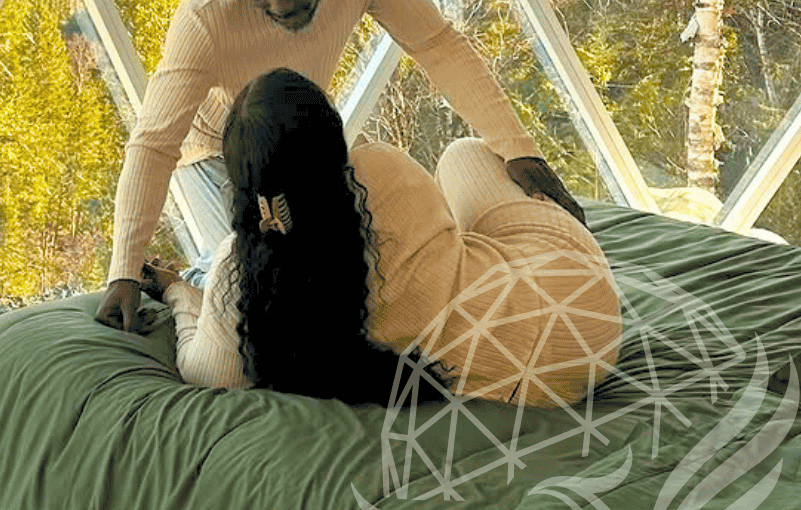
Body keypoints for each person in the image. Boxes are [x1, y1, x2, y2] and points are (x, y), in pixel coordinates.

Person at [96, 0, 584, 333]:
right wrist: (123, 270)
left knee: (336, 277)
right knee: (257, 291)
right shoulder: (205, 19)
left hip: (299, 138)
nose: (281, 7)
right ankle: (182, 280)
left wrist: (517, 149)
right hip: (215, 152)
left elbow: (438, 46)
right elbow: (153, 144)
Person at [138, 69, 623, 407]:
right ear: (332, 135)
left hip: (551, 372)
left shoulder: (237, 275)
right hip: (582, 309)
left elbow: (206, 372)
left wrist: (180, 291)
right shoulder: (382, 169)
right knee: (462, 155)